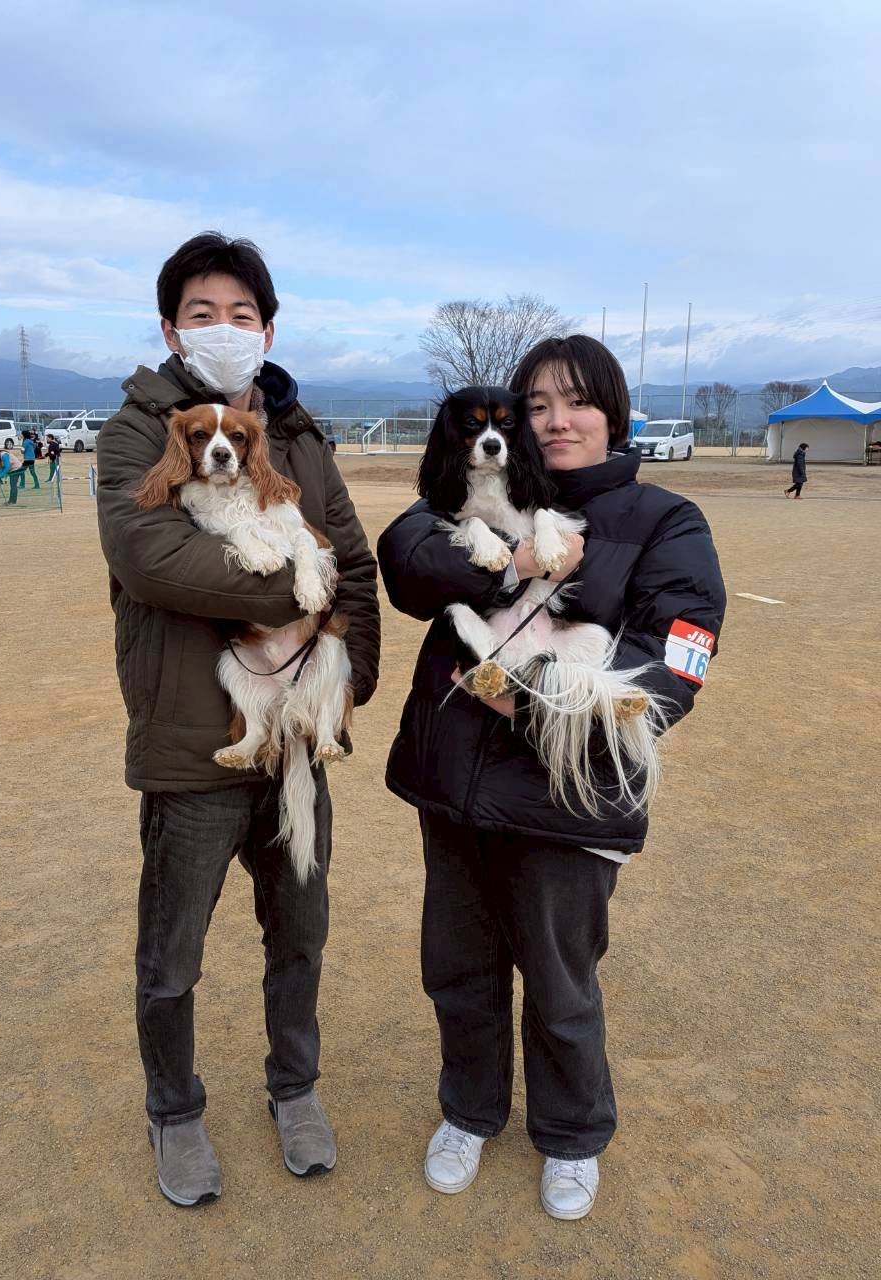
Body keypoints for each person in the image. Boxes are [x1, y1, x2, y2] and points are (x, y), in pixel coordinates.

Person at [377, 335, 726, 1221]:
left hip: (569, 801)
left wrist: (523, 709)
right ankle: (470, 1111)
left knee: (562, 981)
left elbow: (669, 671)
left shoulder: (665, 523)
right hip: (455, 787)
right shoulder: (468, 497)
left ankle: (571, 1136)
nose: (555, 421)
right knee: (458, 967)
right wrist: (515, 560)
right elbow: (409, 558)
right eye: (537, 404)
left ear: (614, 412)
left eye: (577, 402)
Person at [96, 232, 380, 1208]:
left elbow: (354, 559)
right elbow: (153, 560)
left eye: (243, 314)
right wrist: (288, 598)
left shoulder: (297, 432)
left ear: (269, 326)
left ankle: (293, 1088)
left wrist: (347, 684)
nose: (225, 329)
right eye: (203, 313)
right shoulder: (139, 429)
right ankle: (174, 1108)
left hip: (298, 731)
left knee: (299, 931)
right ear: (171, 326)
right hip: (189, 743)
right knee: (172, 952)